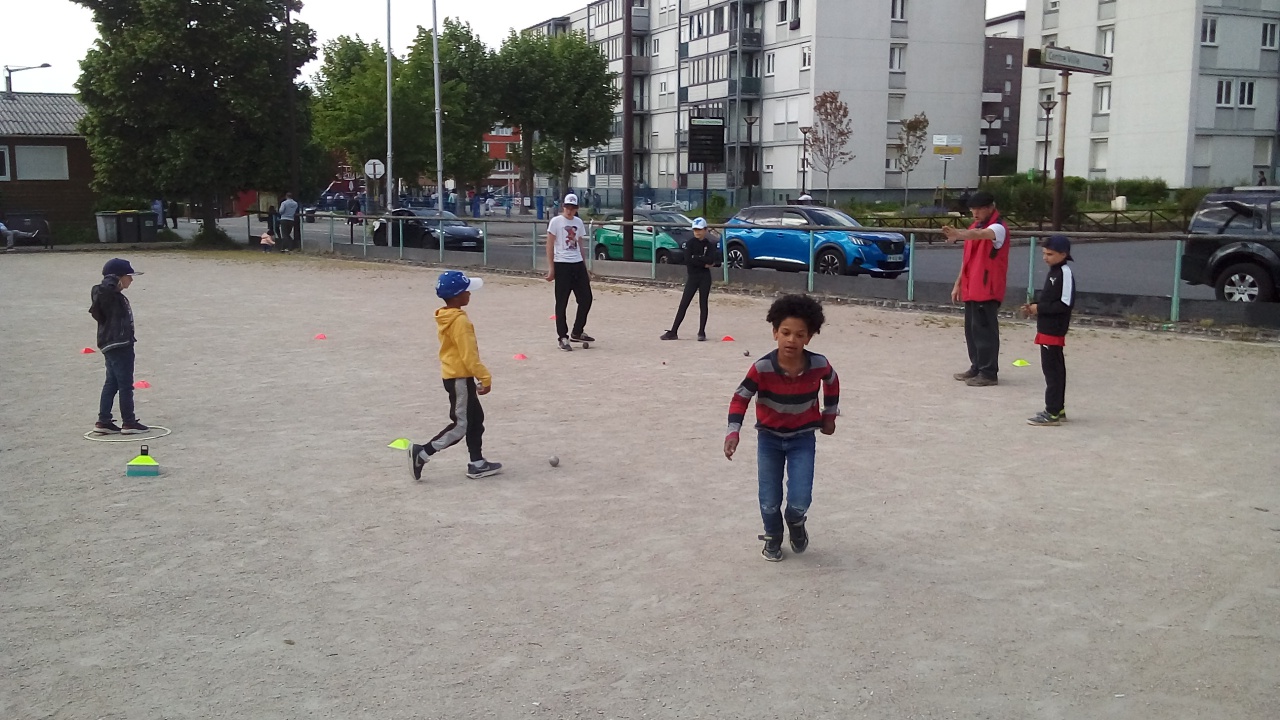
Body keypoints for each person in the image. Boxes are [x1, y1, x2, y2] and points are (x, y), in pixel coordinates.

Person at [725, 295, 839, 562]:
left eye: (800, 334)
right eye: (785, 332)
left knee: (800, 498)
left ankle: (795, 522)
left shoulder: (819, 365)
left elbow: (832, 381)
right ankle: (773, 536)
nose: (792, 340)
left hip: (802, 439)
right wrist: (733, 432)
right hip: (770, 441)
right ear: (775, 332)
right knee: (768, 499)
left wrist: (829, 415)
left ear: (809, 337)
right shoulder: (762, 367)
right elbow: (740, 397)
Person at [409, 271, 503, 481]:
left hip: (459, 376)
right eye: (466, 290)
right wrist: (485, 378)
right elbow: (469, 356)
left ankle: (476, 462)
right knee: (461, 424)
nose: (470, 293)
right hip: (459, 378)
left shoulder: (448, 316)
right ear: (457, 295)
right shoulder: (459, 322)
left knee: (476, 419)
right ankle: (423, 453)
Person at [942, 190, 1010, 387]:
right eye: (973, 209)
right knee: (972, 330)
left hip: (987, 287)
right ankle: (977, 366)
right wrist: (959, 283)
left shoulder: (998, 228)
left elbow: (981, 235)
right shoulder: (976, 226)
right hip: (973, 286)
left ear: (990, 208)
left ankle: (989, 371)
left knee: (985, 330)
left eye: (979, 209)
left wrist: (959, 234)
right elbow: (968, 260)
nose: (975, 213)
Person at [89, 258, 149, 435]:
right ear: (118, 277)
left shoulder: (112, 296)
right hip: (119, 344)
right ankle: (129, 422)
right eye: (128, 276)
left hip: (112, 344)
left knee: (112, 382)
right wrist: (111, 280)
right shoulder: (105, 294)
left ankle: (104, 421)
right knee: (125, 384)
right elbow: (103, 291)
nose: (131, 280)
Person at [1022, 236, 1076, 427]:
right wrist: (1035, 307)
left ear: (1064, 254)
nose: (1045, 257)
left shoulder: (1064, 273)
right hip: (1046, 328)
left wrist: (1040, 309)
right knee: (1052, 369)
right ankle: (1058, 409)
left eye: (1050, 254)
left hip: (1054, 330)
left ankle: (1051, 412)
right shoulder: (1053, 272)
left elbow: (1064, 303)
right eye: (1044, 253)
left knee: (1052, 371)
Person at [545, 193, 595, 351]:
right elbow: (549, 245)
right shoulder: (556, 222)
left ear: (577, 209)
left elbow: (580, 245)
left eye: (573, 208)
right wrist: (551, 268)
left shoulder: (578, 222)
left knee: (586, 298)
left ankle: (577, 331)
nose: (569, 210)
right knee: (562, 302)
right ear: (563, 207)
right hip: (562, 264)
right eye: (567, 207)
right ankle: (562, 336)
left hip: (577, 263)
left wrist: (585, 267)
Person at [660, 217, 716, 341]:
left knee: (703, 304)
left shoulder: (709, 245)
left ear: (705, 230)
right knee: (684, 304)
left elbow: (712, 260)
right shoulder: (690, 243)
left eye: (700, 229)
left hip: (705, 277)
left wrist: (698, 258)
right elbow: (688, 260)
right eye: (695, 229)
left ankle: (701, 332)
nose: (697, 232)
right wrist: (702, 261)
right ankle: (673, 331)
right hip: (693, 276)